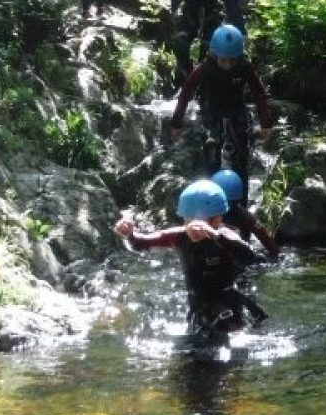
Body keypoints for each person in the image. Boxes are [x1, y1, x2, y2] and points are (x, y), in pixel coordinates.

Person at [113, 179, 268, 341]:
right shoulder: (178, 236)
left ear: (218, 220)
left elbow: (249, 257)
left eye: (198, 222)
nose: (192, 228)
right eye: (187, 221)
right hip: (198, 306)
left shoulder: (225, 236)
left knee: (228, 347)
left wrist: (214, 235)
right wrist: (129, 233)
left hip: (228, 304)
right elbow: (141, 243)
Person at [170, 24, 272, 206]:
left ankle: (242, 205)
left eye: (232, 60)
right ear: (214, 54)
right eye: (223, 60)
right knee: (212, 157)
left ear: (239, 57)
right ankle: (211, 203)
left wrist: (265, 123)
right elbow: (186, 93)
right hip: (212, 112)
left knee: (240, 158)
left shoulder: (244, 68)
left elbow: (259, 93)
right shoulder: (204, 69)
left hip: (236, 112)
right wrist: (177, 123)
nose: (228, 65)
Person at [211, 169, 280, 260]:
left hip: (236, 255)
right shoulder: (244, 215)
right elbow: (265, 237)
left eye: (230, 202)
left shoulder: (244, 216)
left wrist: (276, 255)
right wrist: (276, 255)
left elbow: (264, 237)